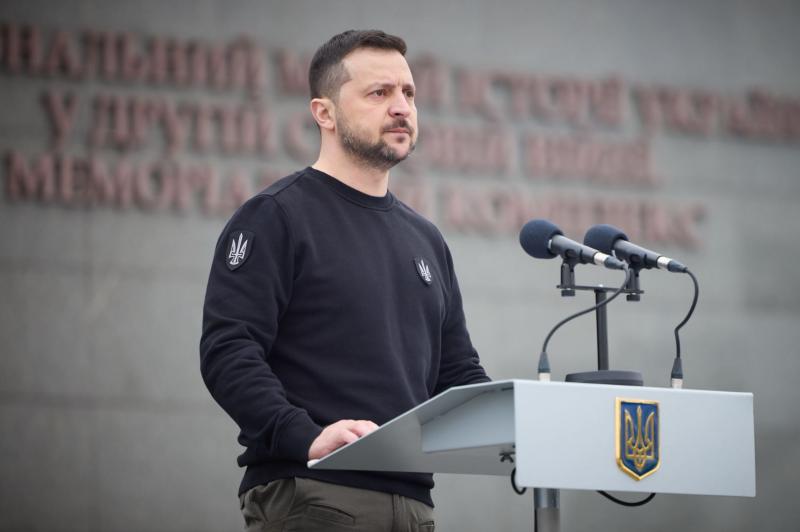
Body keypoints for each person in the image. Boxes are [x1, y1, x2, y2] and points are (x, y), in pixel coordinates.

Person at [200, 29, 489, 532]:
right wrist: (304, 436)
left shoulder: (426, 239)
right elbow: (228, 349)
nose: (401, 107)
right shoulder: (276, 216)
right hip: (315, 493)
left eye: (408, 93)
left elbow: (458, 371)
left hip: (415, 508)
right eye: (379, 93)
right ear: (324, 113)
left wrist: (517, 421)